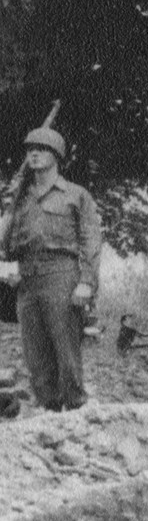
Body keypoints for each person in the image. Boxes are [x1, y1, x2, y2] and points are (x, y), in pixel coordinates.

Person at [0, 119, 102, 411]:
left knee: (66, 349)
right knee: (35, 354)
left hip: (62, 275)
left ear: (56, 156)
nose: (34, 154)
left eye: (42, 149)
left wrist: (86, 282)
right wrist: (4, 270)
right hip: (26, 279)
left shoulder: (75, 194)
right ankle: (49, 410)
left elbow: (91, 241)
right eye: (31, 149)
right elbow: (5, 246)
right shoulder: (19, 200)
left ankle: (76, 408)